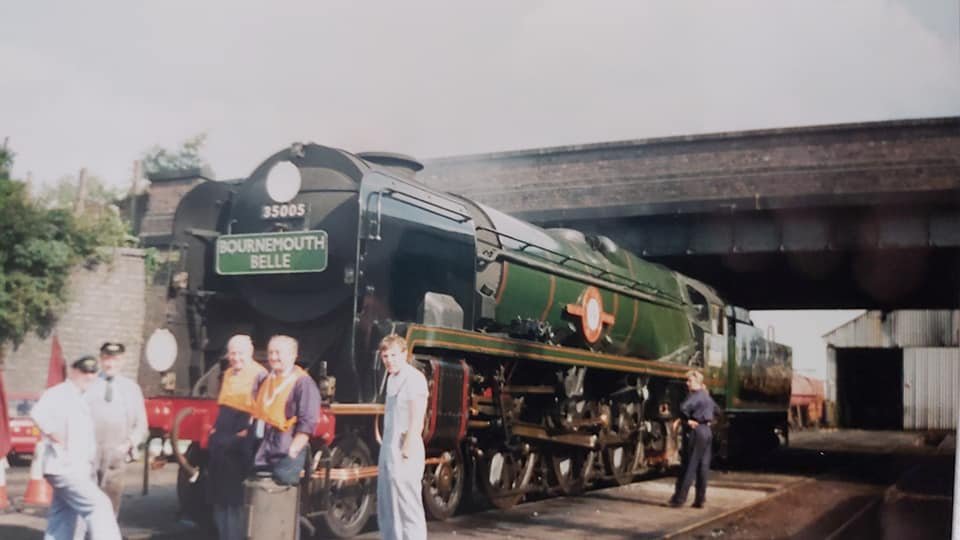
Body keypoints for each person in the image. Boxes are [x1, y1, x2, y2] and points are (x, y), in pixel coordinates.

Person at [31, 355, 122, 540]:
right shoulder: (60, 392)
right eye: (84, 371)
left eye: (93, 372)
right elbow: (37, 414)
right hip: (63, 466)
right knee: (99, 505)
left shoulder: (81, 398)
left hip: (74, 468)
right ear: (73, 371)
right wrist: (56, 437)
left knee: (63, 515)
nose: (88, 376)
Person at [207, 335, 267, 540]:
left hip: (240, 440)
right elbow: (223, 405)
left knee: (234, 498)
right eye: (232, 353)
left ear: (250, 353)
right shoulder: (228, 374)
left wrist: (244, 435)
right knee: (219, 496)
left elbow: (260, 411)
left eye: (240, 353)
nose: (235, 357)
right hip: (221, 437)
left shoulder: (260, 374)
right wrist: (215, 432)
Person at [85, 342, 148, 515]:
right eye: (106, 359)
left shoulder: (132, 389)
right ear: (100, 360)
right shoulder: (87, 385)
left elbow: (142, 425)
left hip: (116, 456)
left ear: (122, 361)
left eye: (115, 359)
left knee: (110, 508)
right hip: (89, 455)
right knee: (86, 506)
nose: (110, 364)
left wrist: (128, 444)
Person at [376, 335, 428, 540]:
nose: (389, 360)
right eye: (385, 356)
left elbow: (417, 419)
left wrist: (406, 449)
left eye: (393, 355)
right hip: (389, 446)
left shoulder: (414, 378)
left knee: (407, 503)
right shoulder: (391, 378)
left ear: (404, 354)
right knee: (387, 501)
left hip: (406, 447)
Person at [251, 335, 321, 485]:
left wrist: (293, 451)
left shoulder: (303, 382)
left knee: (282, 497)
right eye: (270, 353)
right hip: (263, 449)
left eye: (278, 353)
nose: (273, 357)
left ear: (292, 355)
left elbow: (308, 420)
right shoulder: (266, 379)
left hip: (285, 449)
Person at [668, 369, 719, 509]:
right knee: (703, 466)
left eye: (689, 380)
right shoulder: (707, 396)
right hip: (707, 431)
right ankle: (700, 499)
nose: (687, 383)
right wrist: (710, 421)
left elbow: (683, 408)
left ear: (697, 382)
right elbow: (717, 410)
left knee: (690, 465)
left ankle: (679, 499)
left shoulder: (694, 396)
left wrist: (687, 421)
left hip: (696, 432)